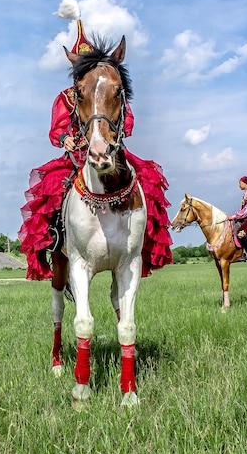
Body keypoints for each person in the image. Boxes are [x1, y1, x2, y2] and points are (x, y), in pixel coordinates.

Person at [18, 18, 173, 280]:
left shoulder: (109, 89)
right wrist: (65, 138)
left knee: (148, 183)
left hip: (111, 146)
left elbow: (127, 118)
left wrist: (114, 133)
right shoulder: (67, 96)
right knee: (51, 191)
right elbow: (56, 128)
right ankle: (56, 239)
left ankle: (140, 242)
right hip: (77, 155)